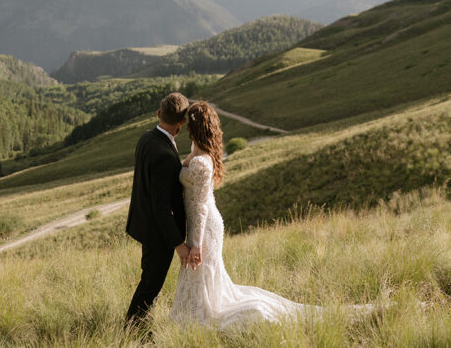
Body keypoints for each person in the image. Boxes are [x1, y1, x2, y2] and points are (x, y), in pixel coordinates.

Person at [169, 101, 314, 328]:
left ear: (192, 129)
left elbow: (200, 208)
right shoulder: (197, 153)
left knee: (200, 271)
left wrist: (196, 244)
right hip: (203, 224)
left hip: (205, 225)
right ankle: (192, 317)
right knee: (200, 275)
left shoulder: (201, 163)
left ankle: (198, 320)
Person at [124, 92, 192, 332]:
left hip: (144, 224)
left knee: (149, 281)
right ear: (181, 123)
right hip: (158, 233)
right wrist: (178, 243)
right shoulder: (164, 155)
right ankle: (133, 331)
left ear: (159, 114)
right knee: (151, 285)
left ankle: (139, 326)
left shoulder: (146, 138)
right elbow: (161, 206)